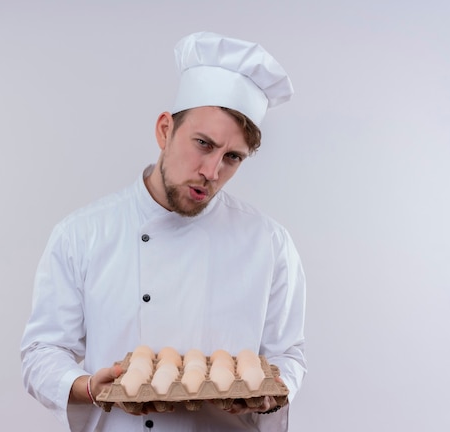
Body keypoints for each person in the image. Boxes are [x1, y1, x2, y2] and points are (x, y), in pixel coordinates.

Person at [21, 31, 307, 432]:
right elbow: (42, 351)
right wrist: (84, 386)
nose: (212, 172)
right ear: (164, 131)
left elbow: (289, 355)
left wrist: (275, 388)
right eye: (203, 144)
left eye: (232, 158)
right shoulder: (83, 234)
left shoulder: (269, 244)